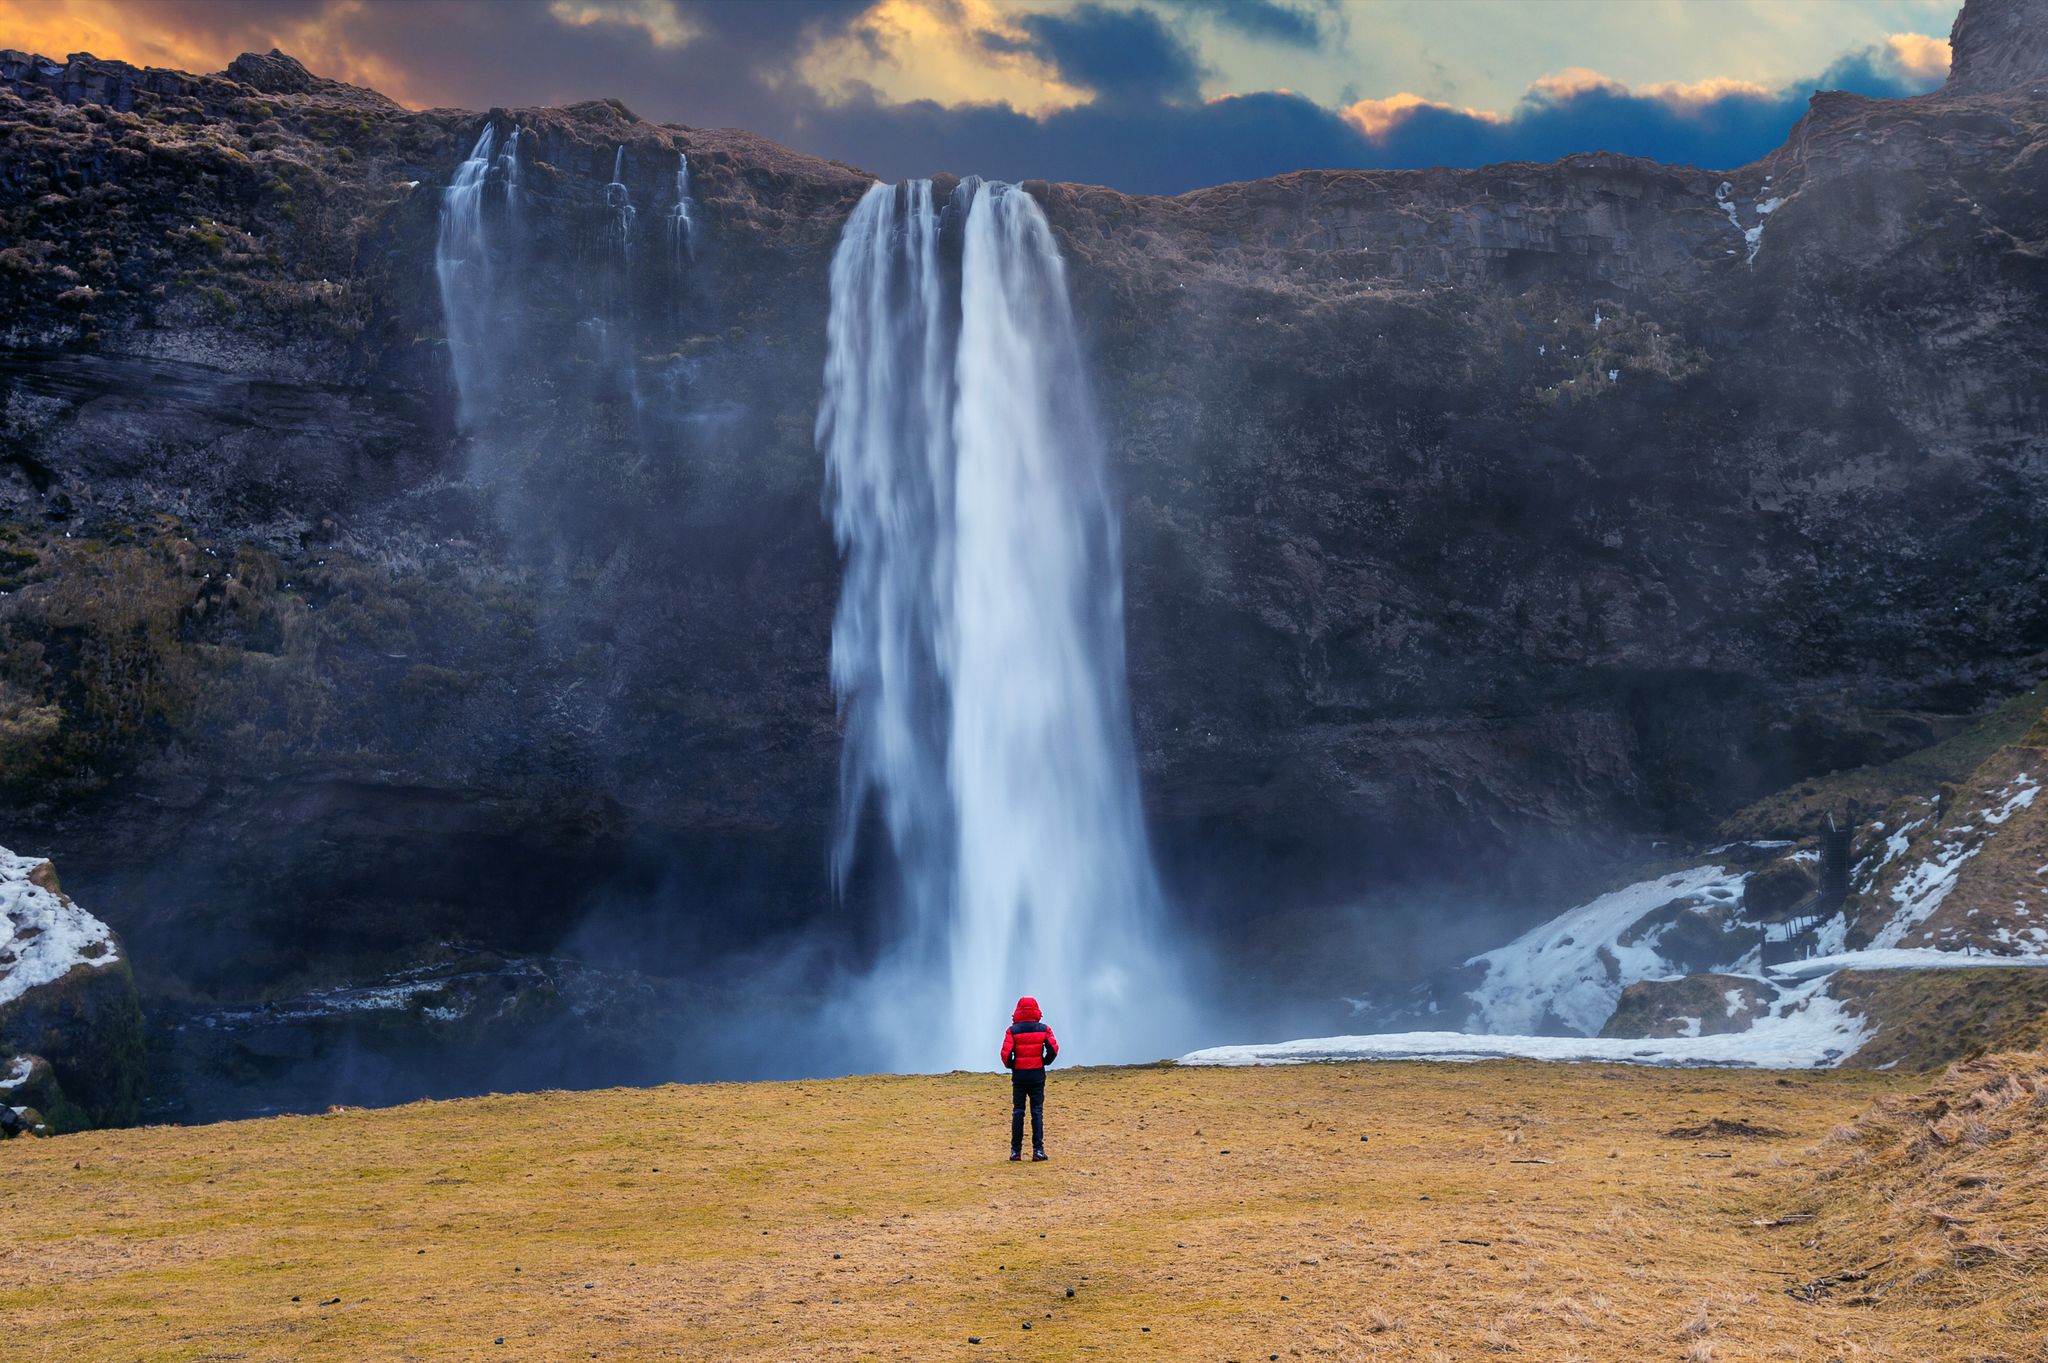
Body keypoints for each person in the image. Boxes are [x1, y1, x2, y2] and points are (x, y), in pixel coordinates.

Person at [1000, 995, 1058, 1161]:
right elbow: (1053, 1049)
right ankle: (1038, 1151)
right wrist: (1044, 1062)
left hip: (1019, 1076)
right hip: (1037, 1076)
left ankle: (1015, 1152)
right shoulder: (1044, 1029)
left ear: (1018, 1011)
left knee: (1018, 1112)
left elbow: (1005, 1054)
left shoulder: (1012, 1030)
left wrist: (1012, 1065)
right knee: (1037, 1112)